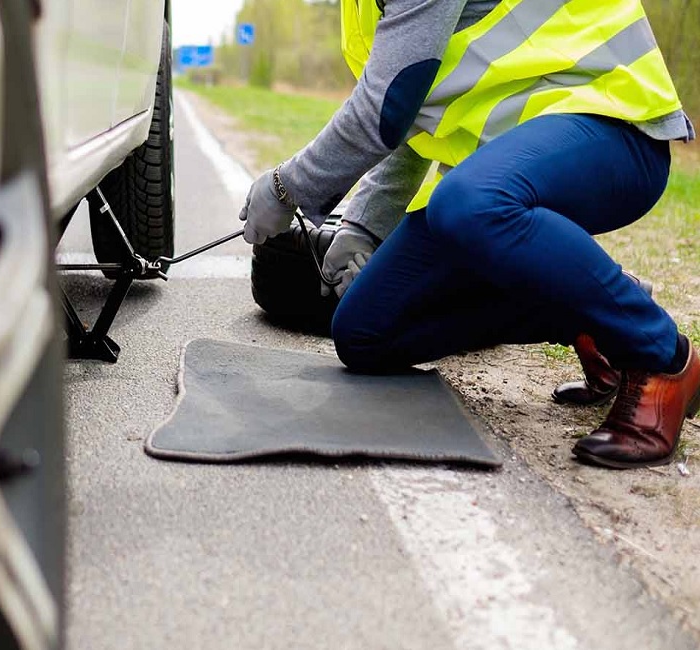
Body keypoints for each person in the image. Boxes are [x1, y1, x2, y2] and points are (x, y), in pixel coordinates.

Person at [238, 0, 699, 470]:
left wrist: (286, 188)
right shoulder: (357, 9)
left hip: (611, 124)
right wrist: (364, 225)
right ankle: (593, 310)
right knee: (365, 333)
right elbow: (411, 107)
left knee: (466, 204)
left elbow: (385, 107)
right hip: (496, 176)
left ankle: (663, 356)